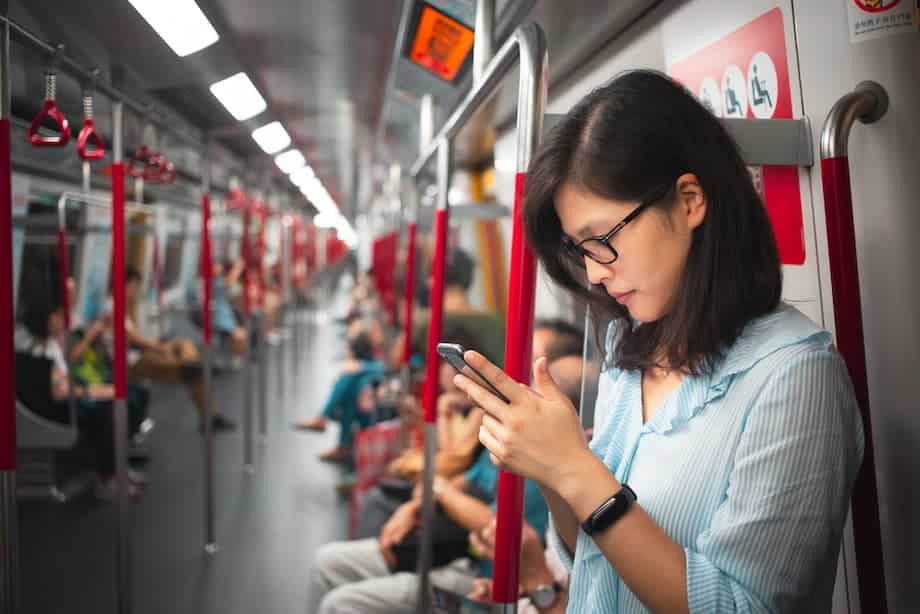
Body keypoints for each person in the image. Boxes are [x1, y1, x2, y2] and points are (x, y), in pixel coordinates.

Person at [453, 70, 863, 613]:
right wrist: (550, 468)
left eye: (601, 240)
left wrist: (576, 468)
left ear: (689, 201)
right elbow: (591, 561)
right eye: (580, 250)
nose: (595, 274)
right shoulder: (630, 345)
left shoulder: (795, 378)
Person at [14, 274, 142, 500]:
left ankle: (114, 469)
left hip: (63, 398)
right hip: (53, 408)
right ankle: (107, 478)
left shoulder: (51, 344)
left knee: (125, 399)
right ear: (47, 319)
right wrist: (98, 392)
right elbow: (59, 390)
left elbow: (63, 381)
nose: (63, 322)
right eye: (58, 317)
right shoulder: (32, 352)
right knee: (112, 411)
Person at [115, 267, 236, 433]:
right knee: (196, 374)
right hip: (132, 362)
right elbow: (131, 338)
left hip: (141, 353)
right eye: (135, 286)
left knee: (184, 344)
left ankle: (191, 364)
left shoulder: (126, 309)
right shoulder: (114, 309)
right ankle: (210, 411)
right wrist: (159, 346)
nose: (136, 291)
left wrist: (159, 345)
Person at [292, 328, 385, 462]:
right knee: (349, 395)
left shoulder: (369, 367)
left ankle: (324, 421)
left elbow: (379, 369)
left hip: (369, 408)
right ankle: (327, 427)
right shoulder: (366, 368)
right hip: (360, 404)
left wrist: (360, 367)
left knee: (347, 385)